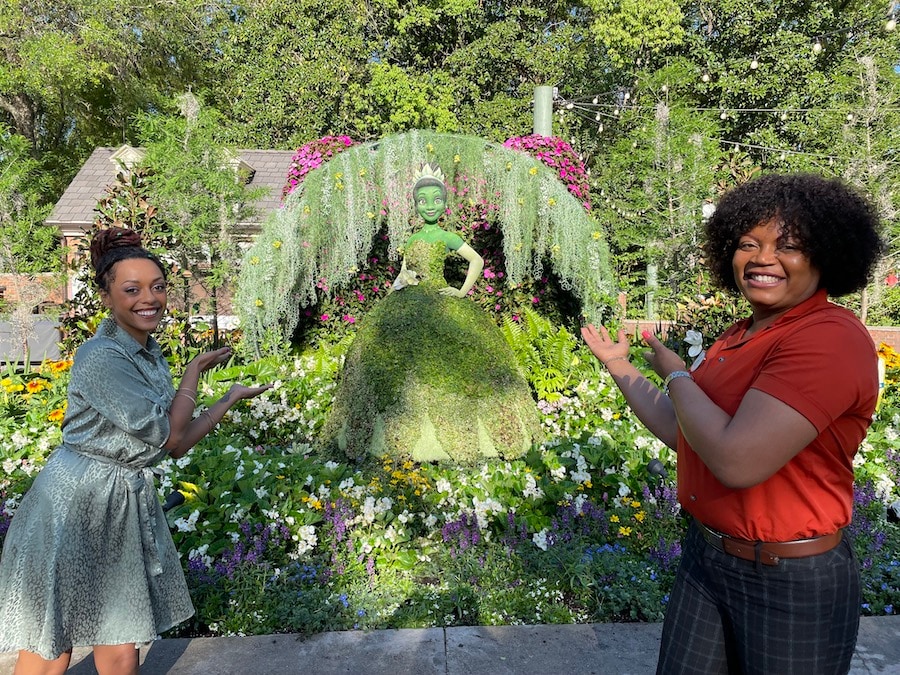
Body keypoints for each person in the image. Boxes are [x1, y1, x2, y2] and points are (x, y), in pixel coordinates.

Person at [581, 173, 883, 674]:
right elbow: (686, 433)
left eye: (788, 246)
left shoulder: (828, 338)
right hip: (708, 560)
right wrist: (619, 365)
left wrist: (677, 374)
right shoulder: (739, 335)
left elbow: (736, 461)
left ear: (825, 256)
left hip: (789, 581)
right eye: (748, 244)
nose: (763, 258)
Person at [0, 227, 272, 674]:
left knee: (120, 643)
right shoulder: (101, 356)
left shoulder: (148, 353)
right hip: (73, 503)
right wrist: (193, 371)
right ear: (106, 296)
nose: (149, 298)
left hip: (118, 502)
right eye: (132, 289)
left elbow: (176, 445)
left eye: (158, 287)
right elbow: (169, 434)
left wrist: (227, 398)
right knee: (52, 644)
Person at [321, 163, 540, 465]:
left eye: (436, 200)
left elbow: (476, 260)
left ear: (444, 203)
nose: (430, 206)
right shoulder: (412, 240)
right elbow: (404, 273)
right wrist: (392, 297)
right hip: (406, 300)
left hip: (440, 297)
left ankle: (461, 435)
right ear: (415, 204)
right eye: (423, 200)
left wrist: (461, 291)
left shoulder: (446, 237)